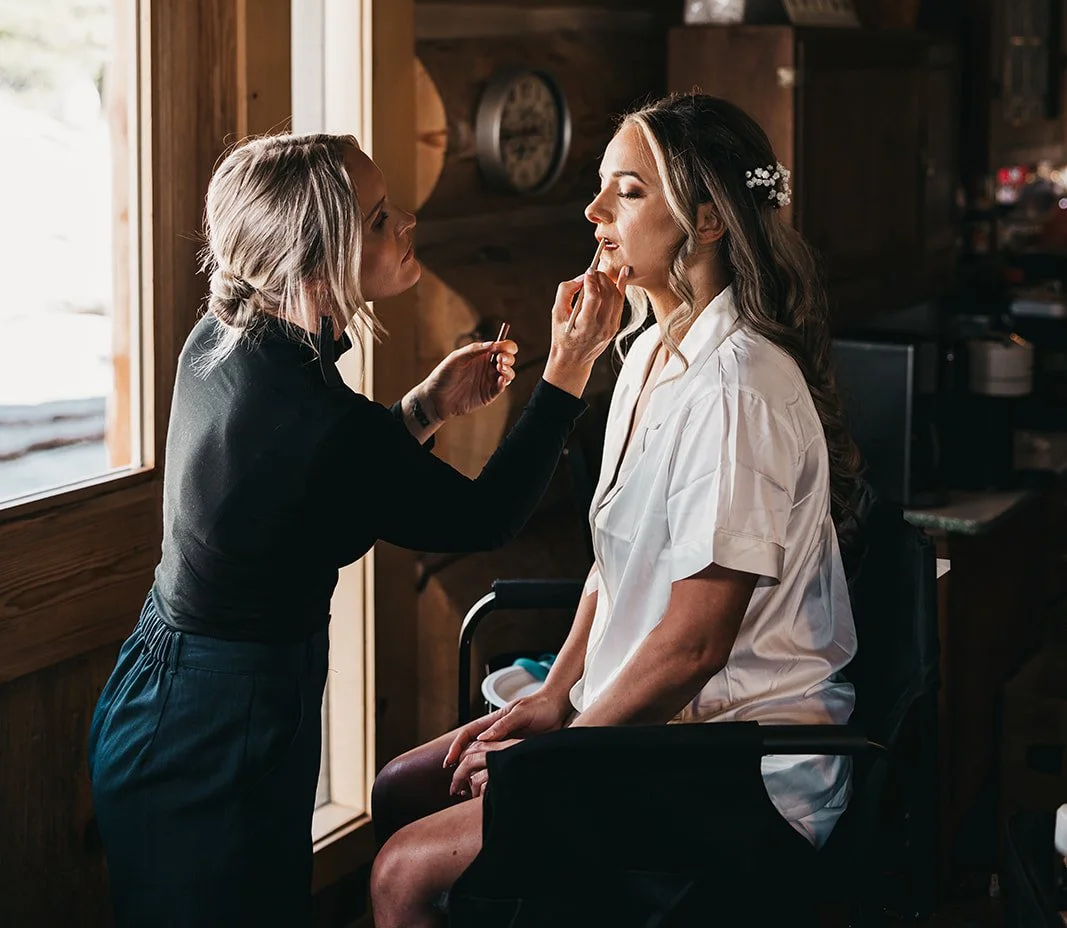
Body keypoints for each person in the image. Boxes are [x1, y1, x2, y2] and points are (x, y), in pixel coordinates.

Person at [87, 131, 629, 928]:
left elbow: (309, 482)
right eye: (378, 220)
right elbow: (484, 518)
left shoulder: (222, 334)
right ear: (316, 263)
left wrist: (424, 409)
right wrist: (567, 369)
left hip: (174, 684)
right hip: (214, 719)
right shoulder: (319, 422)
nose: (406, 220)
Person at [370, 92, 865, 928]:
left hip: (737, 764)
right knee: (398, 788)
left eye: (627, 192)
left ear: (706, 220)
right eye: (602, 188)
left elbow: (695, 644)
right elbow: (614, 562)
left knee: (400, 877)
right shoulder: (644, 351)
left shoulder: (736, 387)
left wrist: (560, 755)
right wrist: (556, 693)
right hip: (650, 726)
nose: (593, 211)